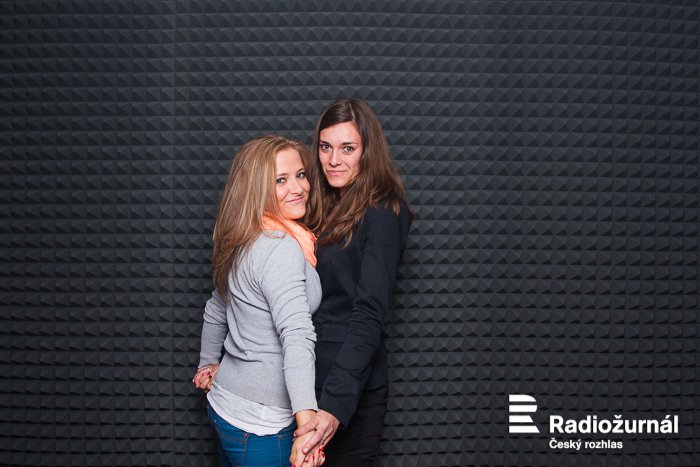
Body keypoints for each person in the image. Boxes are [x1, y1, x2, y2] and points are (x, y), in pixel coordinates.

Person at [193, 135, 325, 467]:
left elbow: (217, 306)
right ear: (257, 189)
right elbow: (296, 336)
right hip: (261, 424)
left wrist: (208, 364)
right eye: (280, 180)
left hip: (225, 404)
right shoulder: (280, 247)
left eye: (300, 174)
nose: (298, 188)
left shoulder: (244, 235)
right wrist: (307, 427)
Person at [295, 98, 412, 466]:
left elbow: (369, 314)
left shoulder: (383, 211)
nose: (333, 160)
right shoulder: (321, 205)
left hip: (348, 391)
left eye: (347, 148)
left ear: (367, 151)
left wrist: (334, 406)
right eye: (325, 147)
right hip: (306, 383)